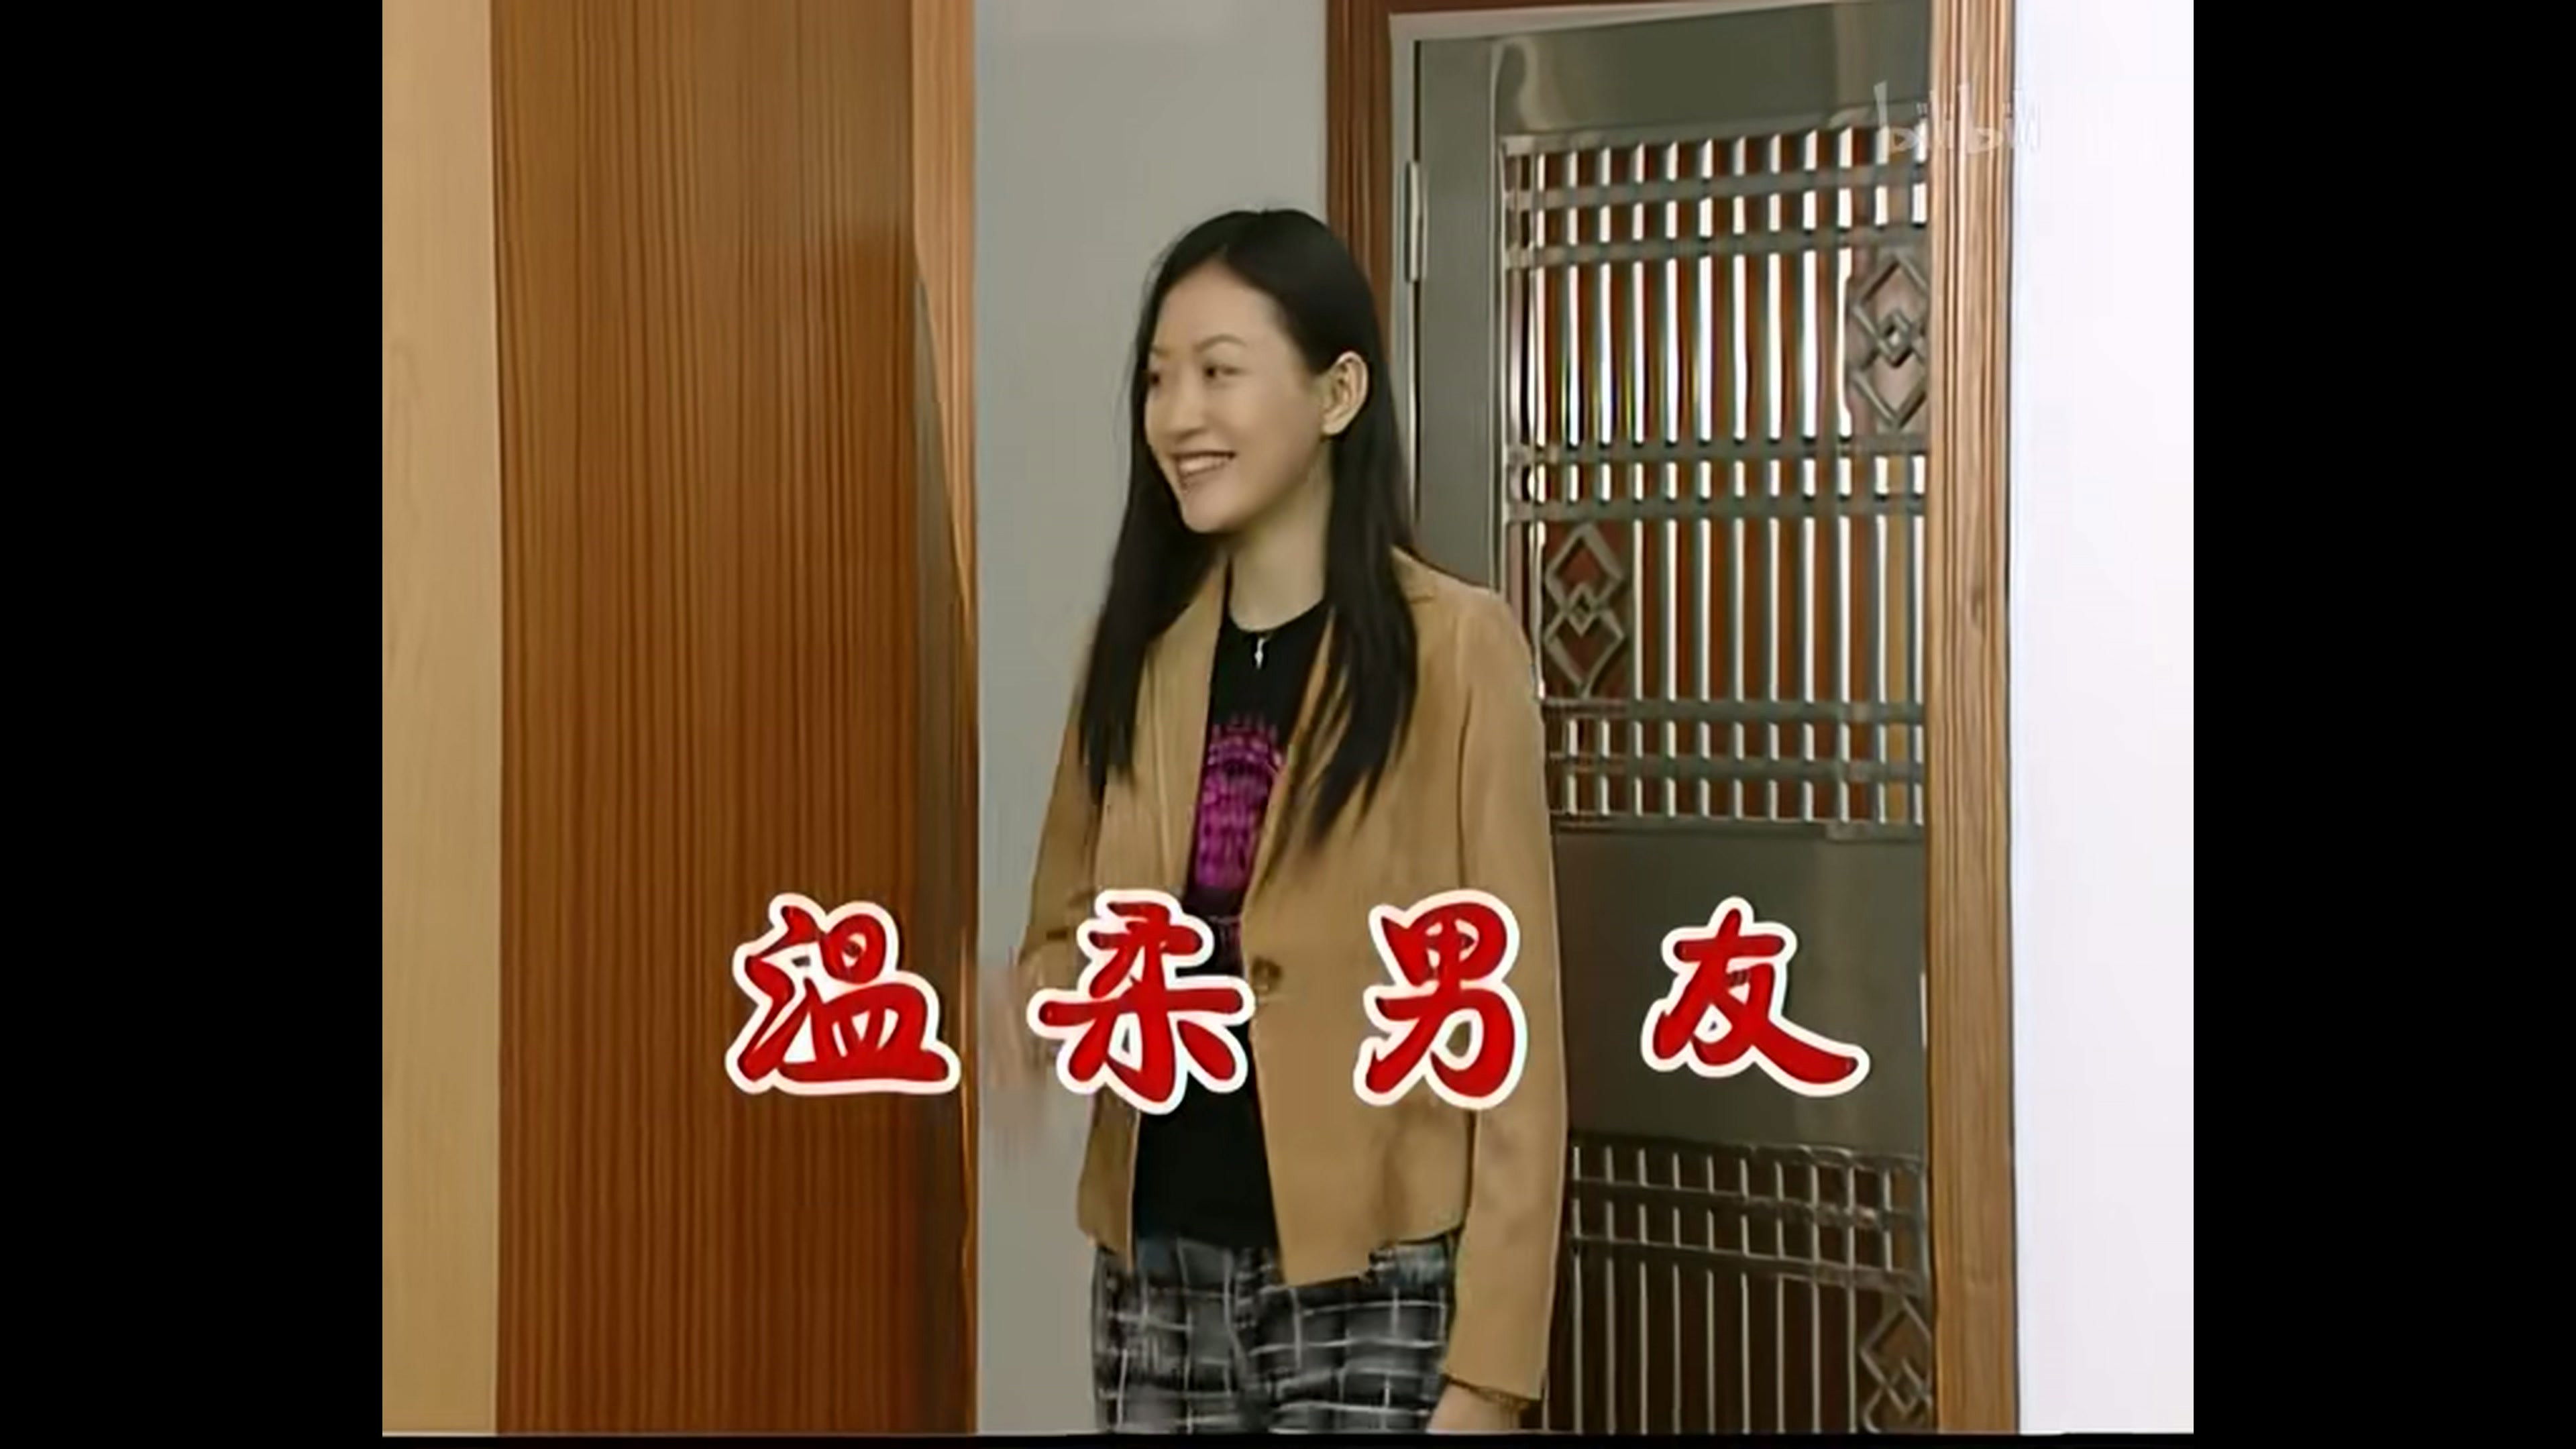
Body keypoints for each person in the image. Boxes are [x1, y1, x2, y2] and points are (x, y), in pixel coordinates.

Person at [1006, 207, 1566, 1435]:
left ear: (1337, 393)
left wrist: (1491, 1373)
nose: (1178, 417)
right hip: (1157, 1274)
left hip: (1374, 1272)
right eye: (1159, 379)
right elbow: (1062, 936)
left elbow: (1513, 1037)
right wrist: (1036, 1012)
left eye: (1219, 373)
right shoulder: (1133, 653)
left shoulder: (1455, 652)